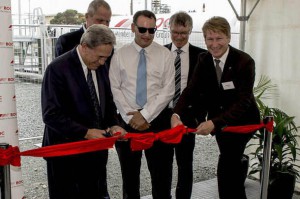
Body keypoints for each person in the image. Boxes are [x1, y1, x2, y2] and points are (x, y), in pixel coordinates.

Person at [171, 16, 260, 199]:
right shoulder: (204, 60)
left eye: (218, 38)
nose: (214, 44)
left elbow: (243, 102)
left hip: (242, 121)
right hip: (220, 123)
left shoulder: (244, 62)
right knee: (230, 165)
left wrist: (214, 123)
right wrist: (176, 114)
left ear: (228, 37)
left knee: (227, 166)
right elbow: (190, 90)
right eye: (209, 39)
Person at [42, 24, 126, 199]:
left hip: (95, 154)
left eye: (106, 58)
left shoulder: (100, 66)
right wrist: (86, 133)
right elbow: (51, 114)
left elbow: (107, 104)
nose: (103, 62)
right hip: (66, 157)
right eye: (100, 57)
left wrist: (114, 124)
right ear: (85, 46)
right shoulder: (57, 69)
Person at [109, 10, 175, 199]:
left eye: (152, 30)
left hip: (158, 120)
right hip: (128, 121)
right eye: (142, 29)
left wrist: (145, 115)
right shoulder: (119, 55)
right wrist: (132, 117)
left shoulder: (165, 55)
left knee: (162, 178)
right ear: (133, 28)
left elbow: (168, 90)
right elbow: (115, 89)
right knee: (130, 179)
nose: (147, 34)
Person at [164, 11, 206, 199]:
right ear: (169, 29)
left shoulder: (202, 56)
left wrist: (200, 117)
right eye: (175, 32)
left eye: (184, 33)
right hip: (162, 116)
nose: (179, 37)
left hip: (188, 119)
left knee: (185, 164)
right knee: (162, 165)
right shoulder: (160, 53)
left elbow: (206, 91)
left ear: (190, 31)